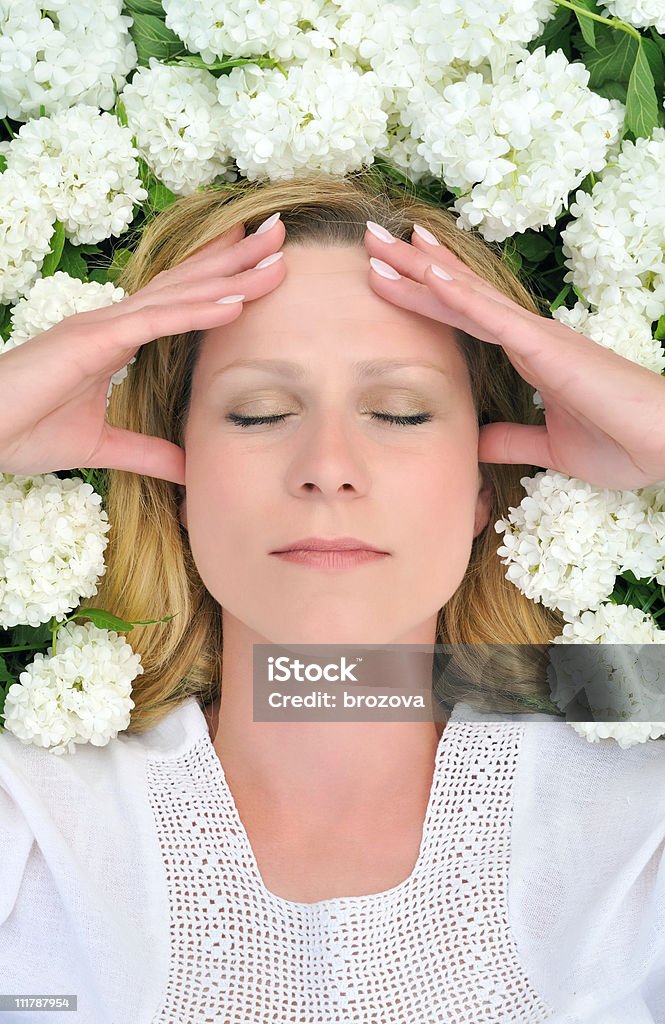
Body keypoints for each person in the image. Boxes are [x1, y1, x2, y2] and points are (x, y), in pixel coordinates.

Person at [0, 170, 664, 1023]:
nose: (327, 467)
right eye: (259, 412)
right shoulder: (38, 822)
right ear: (179, 480)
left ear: (483, 492)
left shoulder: (629, 810)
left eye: (397, 412)